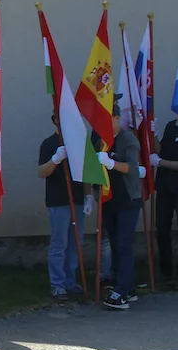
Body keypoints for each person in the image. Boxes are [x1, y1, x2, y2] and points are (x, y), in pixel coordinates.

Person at [37, 119, 89, 300]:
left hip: (78, 199)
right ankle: (57, 284)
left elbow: (86, 170)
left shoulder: (78, 141)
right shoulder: (49, 143)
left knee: (75, 243)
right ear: (55, 121)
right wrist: (55, 159)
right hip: (58, 201)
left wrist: (88, 196)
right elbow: (41, 172)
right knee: (59, 243)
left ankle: (70, 280)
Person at [98, 100, 143, 310]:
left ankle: (122, 292)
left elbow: (132, 168)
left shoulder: (128, 140)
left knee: (124, 244)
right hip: (109, 200)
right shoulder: (101, 141)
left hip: (128, 200)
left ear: (117, 118)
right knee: (115, 244)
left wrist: (111, 163)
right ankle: (126, 286)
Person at [149, 115, 178, 289]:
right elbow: (161, 150)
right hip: (164, 185)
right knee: (162, 227)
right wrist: (154, 135)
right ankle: (166, 271)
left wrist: (161, 163)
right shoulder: (171, 125)